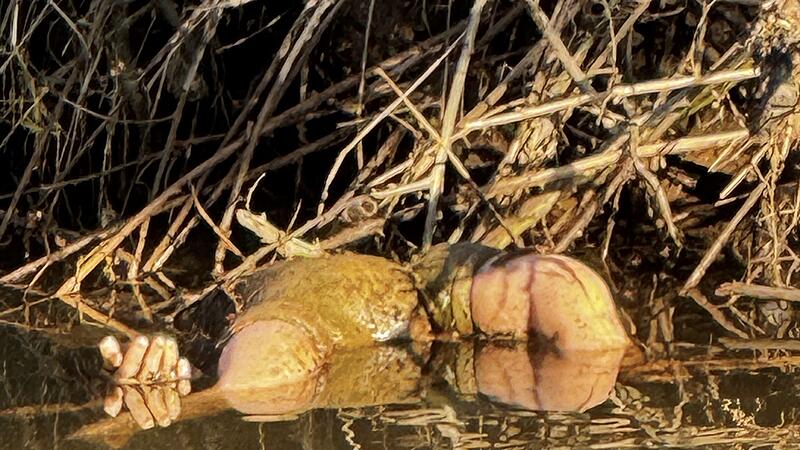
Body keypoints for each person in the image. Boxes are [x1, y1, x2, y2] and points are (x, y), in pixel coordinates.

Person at [95, 243, 631, 430]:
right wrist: (205, 402)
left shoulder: (418, 299)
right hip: (279, 323)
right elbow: (279, 346)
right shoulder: (367, 291)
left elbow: (573, 312)